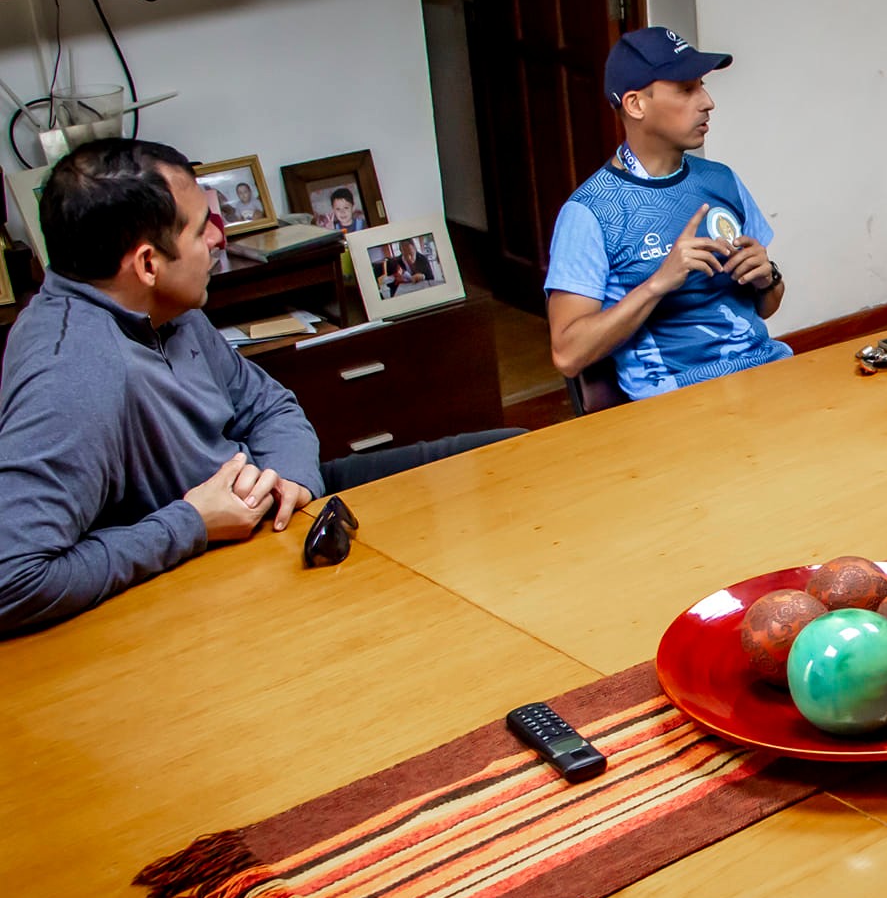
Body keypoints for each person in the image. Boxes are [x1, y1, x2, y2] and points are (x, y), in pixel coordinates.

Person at [0, 139, 521, 635]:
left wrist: (289, 478)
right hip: (200, 580)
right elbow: (13, 580)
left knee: (508, 455)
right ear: (147, 263)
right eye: (201, 228)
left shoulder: (164, 307)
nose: (219, 239)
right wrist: (191, 524)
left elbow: (270, 406)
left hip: (271, 513)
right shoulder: (69, 373)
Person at [544, 26, 789, 400]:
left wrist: (766, 278)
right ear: (636, 104)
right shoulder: (589, 212)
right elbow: (568, 355)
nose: (707, 102)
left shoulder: (722, 181)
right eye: (686, 89)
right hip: (676, 400)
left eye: (702, 86)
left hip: (766, 372)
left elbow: (767, 308)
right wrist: (659, 283)